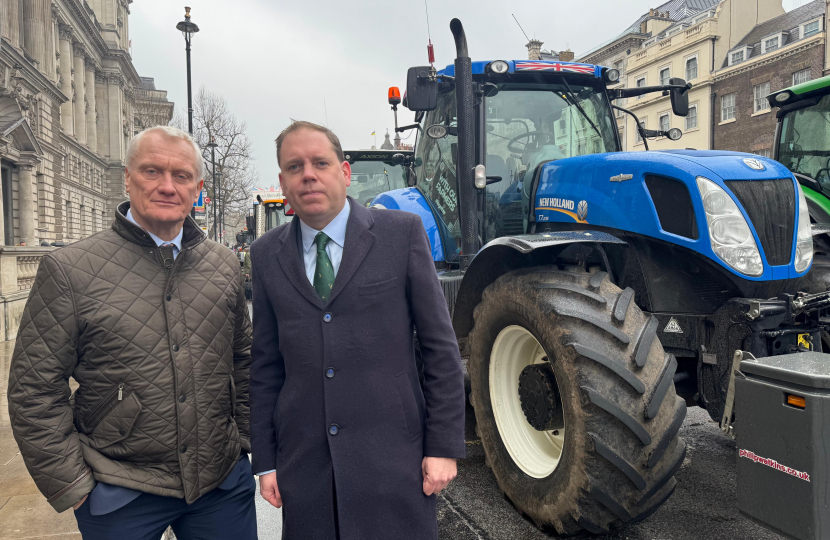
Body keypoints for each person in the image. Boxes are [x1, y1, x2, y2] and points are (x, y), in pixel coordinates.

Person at [7, 125, 256, 540]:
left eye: (181, 176)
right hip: (118, 488)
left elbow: (244, 361)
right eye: (151, 171)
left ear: (197, 188)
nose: (167, 186)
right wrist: (72, 483)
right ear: (127, 177)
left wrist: (245, 442)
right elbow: (33, 388)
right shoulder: (71, 270)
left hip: (220, 484)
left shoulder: (222, 264)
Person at [249, 121, 466, 540]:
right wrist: (266, 460)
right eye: (295, 166)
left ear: (344, 172)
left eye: (320, 163)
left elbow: (440, 348)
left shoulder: (400, 235)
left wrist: (443, 447)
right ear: (283, 181)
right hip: (306, 466)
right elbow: (266, 366)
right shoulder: (265, 255)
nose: (308, 174)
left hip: (394, 460)